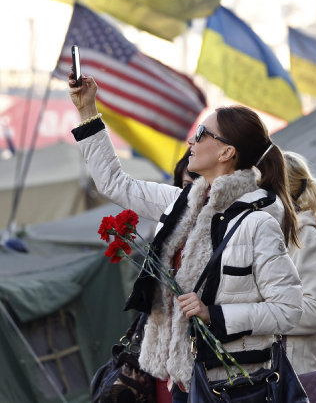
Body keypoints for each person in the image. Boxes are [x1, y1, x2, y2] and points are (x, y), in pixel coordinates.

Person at [68, 74, 303, 402]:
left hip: (228, 386)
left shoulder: (257, 223)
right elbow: (113, 183)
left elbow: (290, 309)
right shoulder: (180, 204)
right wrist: (87, 110)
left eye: (201, 133)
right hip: (173, 381)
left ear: (226, 153)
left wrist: (214, 315)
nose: (191, 141)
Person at [283, 151, 316, 375]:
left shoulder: (306, 236)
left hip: (301, 376)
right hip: (279, 377)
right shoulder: (275, 236)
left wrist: (262, 315)